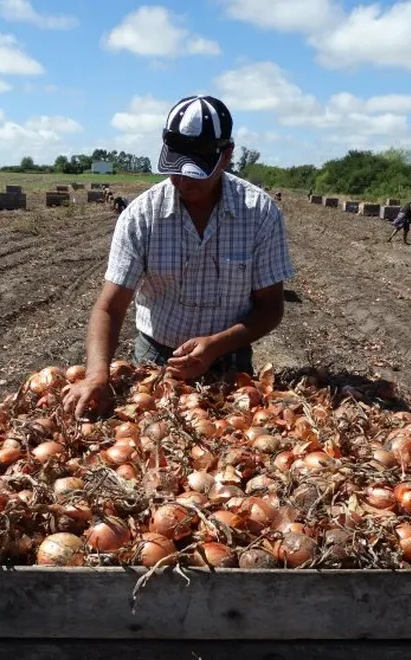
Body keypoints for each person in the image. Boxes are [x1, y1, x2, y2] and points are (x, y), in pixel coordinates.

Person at [63, 94, 295, 420]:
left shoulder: (259, 213)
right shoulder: (142, 216)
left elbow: (270, 307)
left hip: (229, 361)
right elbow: (110, 307)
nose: (182, 180)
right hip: (156, 357)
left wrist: (216, 344)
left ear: (226, 156)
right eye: (175, 168)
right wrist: (97, 374)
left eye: (196, 171)